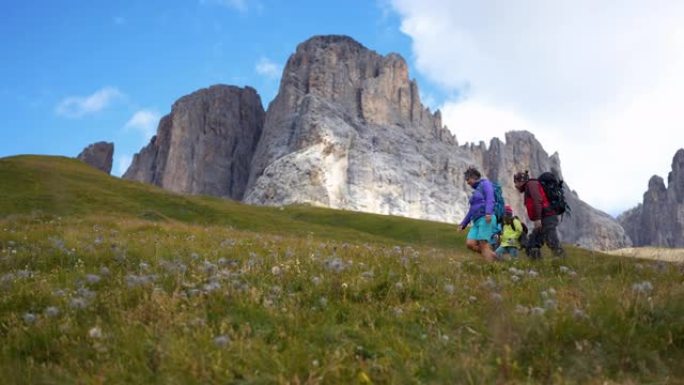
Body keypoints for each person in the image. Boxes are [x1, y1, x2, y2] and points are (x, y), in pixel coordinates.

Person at [513, 170, 565, 259]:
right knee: (532, 245)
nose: (515, 185)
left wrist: (538, 219)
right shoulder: (529, 187)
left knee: (552, 242)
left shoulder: (531, 184)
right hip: (544, 218)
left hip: (547, 217)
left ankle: (564, 264)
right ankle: (538, 266)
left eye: (516, 182)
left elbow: (537, 200)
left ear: (521, 181)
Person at [459, 166, 497, 262]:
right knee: (470, 244)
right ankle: (494, 256)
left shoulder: (485, 184)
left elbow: (490, 198)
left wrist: (488, 212)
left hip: (486, 217)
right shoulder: (476, 191)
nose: (467, 182)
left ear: (473, 177)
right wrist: (463, 224)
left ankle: (492, 267)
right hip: (476, 221)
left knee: (483, 244)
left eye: (468, 179)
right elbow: (471, 210)